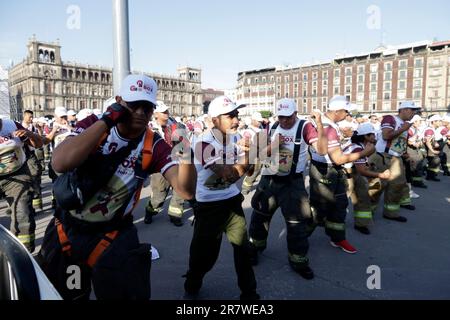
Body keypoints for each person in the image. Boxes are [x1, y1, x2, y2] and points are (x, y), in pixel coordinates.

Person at [37, 74, 196, 300]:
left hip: (112, 237)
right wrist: (107, 120)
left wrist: (186, 155)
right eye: (133, 105)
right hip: (68, 234)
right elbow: (60, 163)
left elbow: (186, 191)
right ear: (119, 101)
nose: (140, 112)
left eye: (147, 107)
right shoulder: (93, 124)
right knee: (71, 293)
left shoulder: (154, 145)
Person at [184, 96, 259, 300]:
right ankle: (192, 285)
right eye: (230, 116)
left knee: (243, 250)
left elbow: (250, 173)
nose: (236, 120)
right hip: (208, 207)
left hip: (232, 201)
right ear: (214, 120)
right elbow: (228, 174)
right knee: (204, 256)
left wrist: (249, 155)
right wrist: (251, 155)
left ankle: (250, 294)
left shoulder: (237, 138)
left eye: (236, 115)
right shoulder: (202, 144)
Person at [248, 99, 327, 279]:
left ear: (295, 113)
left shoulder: (305, 127)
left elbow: (321, 150)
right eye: (281, 117)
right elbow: (260, 153)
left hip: (292, 182)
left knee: (297, 222)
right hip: (269, 179)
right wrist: (270, 147)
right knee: (259, 216)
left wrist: (320, 123)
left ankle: (298, 259)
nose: (284, 121)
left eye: (288, 117)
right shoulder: (273, 126)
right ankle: (254, 248)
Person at [309, 96, 375, 254]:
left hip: (332, 170)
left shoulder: (331, 125)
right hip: (325, 171)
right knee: (320, 208)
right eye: (346, 111)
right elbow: (338, 159)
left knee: (339, 205)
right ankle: (299, 236)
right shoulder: (328, 128)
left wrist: (343, 138)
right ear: (337, 111)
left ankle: (337, 237)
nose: (348, 115)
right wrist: (364, 153)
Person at [368, 101, 421, 223]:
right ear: (403, 110)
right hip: (383, 157)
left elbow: (400, 144)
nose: (413, 113)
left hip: (397, 158)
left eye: (414, 111)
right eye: (412, 110)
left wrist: (407, 156)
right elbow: (386, 136)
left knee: (397, 186)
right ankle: (366, 212)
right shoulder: (390, 118)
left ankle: (391, 213)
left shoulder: (405, 124)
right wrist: (403, 129)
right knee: (377, 186)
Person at [0, 116, 43, 252]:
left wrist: (30, 134)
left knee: (23, 212)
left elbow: (38, 144)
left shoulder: (12, 125)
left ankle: (23, 252)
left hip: (17, 173)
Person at [144, 101, 187, 226]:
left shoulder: (175, 125)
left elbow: (184, 142)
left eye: (167, 111)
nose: (166, 114)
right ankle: (150, 211)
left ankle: (175, 215)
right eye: (163, 112)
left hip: (177, 163)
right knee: (159, 195)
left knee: (180, 190)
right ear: (156, 114)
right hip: (158, 167)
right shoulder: (149, 128)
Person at [344, 123, 390, 235]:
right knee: (359, 197)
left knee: (358, 197)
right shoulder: (359, 148)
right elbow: (362, 171)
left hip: (349, 172)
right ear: (366, 136)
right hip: (347, 174)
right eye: (373, 135)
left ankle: (361, 223)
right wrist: (381, 175)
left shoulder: (359, 145)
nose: (375, 137)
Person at [22, 110, 44, 211]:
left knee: (35, 176)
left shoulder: (33, 127)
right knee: (24, 180)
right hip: (21, 156)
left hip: (31, 155)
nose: (31, 119)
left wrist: (39, 129)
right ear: (24, 116)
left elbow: (40, 138)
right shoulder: (19, 126)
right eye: (30, 117)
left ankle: (36, 204)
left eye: (32, 117)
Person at [241, 112, 265, 195]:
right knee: (253, 173)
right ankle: (244, 189)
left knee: (257, 171)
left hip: (261, 154)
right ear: (253, 120)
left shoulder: (261, 129)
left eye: (260, 121)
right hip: (253, 155)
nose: (259, 122)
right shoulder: (248, 131)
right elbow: (245, 144)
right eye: (258, 121)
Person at [407, 115, 428, 189]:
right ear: (414, 122)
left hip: (416, 148)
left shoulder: (416, 129)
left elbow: (418, 139)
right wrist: (415, 144)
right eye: (419, 121)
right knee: (416, 165)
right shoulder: (410, 130)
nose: (421, 123)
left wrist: (420, 143)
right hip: (411, 149)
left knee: (417, 165)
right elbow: (409, 141)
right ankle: (416, 182)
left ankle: (415, 181)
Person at [423, 115, 443, 182]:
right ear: (434, 122)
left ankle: (431, 176)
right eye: (439, 121)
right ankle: (429, 176)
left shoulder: (432, 129)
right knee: (434, 161)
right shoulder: (430, 130)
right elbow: (427, 142)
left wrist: (435, 143)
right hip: (425, 149)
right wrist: (433, 151)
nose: (441, 122)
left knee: (433, 162)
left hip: (428, 148)